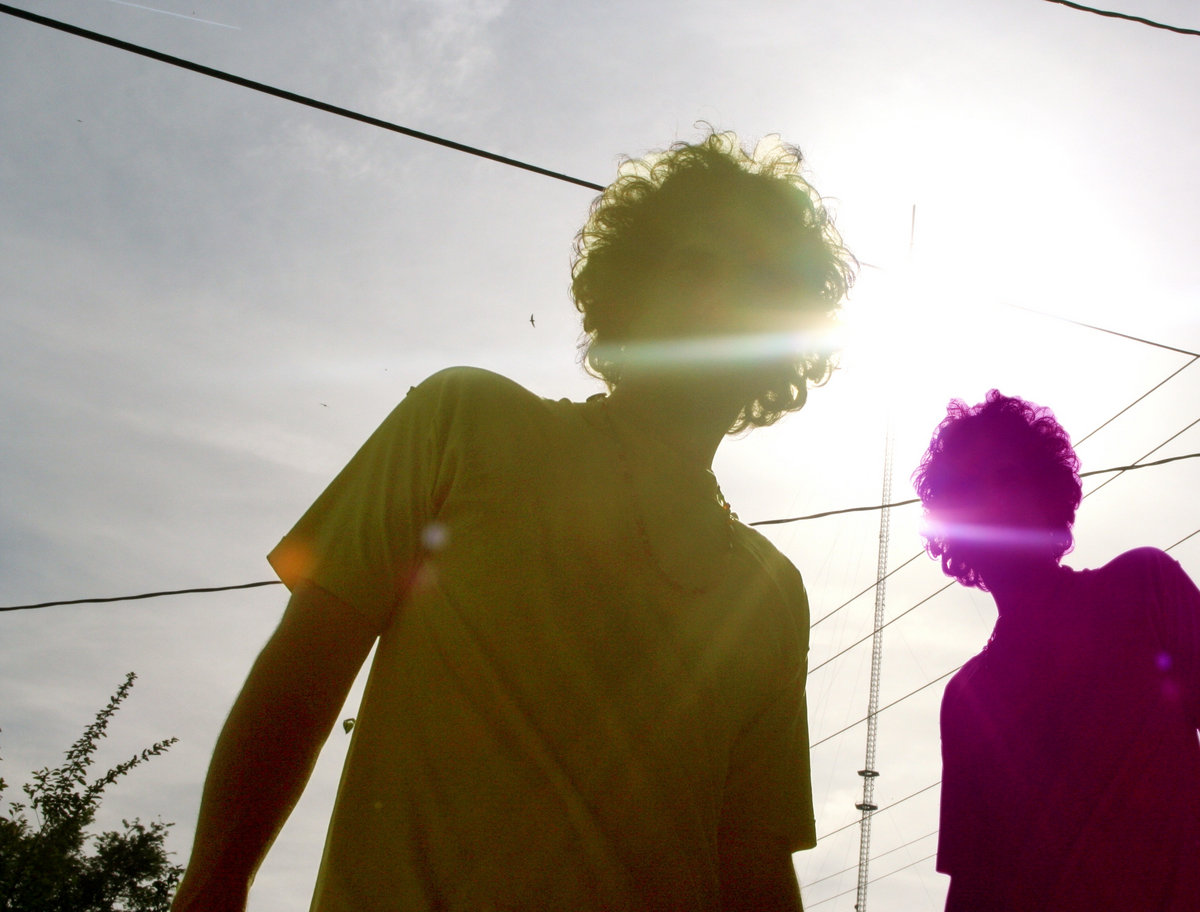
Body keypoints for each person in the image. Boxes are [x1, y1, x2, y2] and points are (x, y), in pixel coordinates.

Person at [170, 129, 856, 912]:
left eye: (762, 282)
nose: (727, 299)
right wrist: (213, 883)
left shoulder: (771, 591)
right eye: (698, 264)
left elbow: (754, 860)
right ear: (629, 291)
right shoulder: (465, 422)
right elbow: (306, 668)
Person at [913, 390, 1200, 911]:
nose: (991, 501)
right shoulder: (967, 697)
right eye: (968, 489)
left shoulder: (1144, 588)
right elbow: (974, 884)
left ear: (1047, 494)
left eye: (1007, 477)